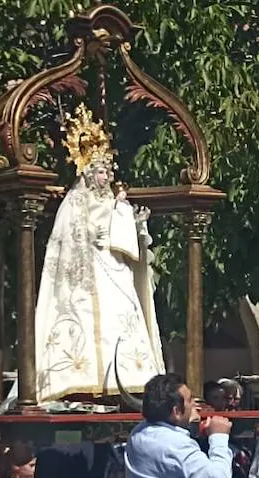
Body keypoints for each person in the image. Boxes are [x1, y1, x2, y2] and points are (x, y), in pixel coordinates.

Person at [34, 104, 163, 404]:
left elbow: (128, 245)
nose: (106, 176)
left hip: (116, 275)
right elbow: (74, 242)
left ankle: (130, 379)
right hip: (89, 280)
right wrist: (119, 213)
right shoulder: (75, 204)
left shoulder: (118, 205)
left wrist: (138, 226)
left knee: (122, 322)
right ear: (88, 173)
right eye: (100, 171)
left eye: (107, 171)